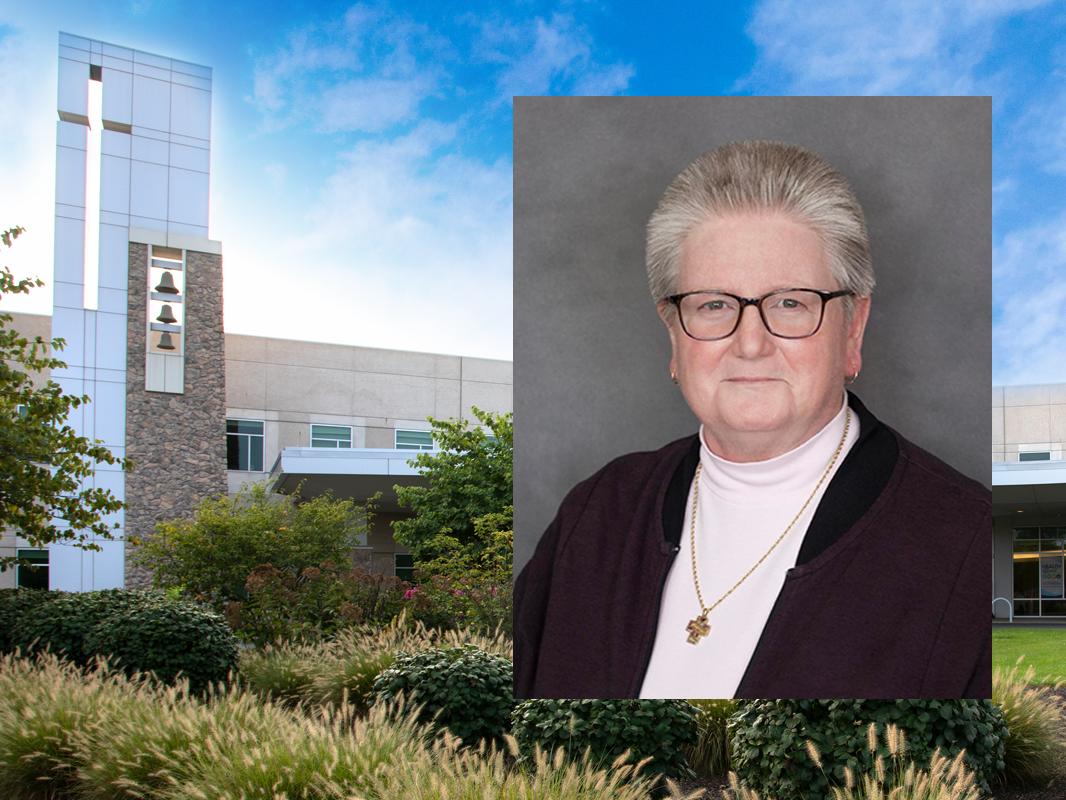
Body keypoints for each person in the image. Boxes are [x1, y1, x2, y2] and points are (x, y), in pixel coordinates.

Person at [513, 140, 990, 699]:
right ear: (673, 332)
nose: (751, 344)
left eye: (790, 302)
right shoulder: (596, 514)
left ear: (853, 329)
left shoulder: (965, 543)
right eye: (714, 304)